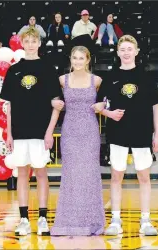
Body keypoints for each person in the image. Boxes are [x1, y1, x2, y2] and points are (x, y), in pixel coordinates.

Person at [0, 27, 64, 236]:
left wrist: (49, 132)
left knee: (42, 173)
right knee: (23, 174)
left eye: (33, 41)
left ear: (39, 43)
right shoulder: (14, 70)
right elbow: (9, 105)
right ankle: (24, 219)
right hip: (19, 131)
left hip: (40, 131)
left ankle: (43, 218)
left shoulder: (47, 68)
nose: (29, 45)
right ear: (22, 43)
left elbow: (56, 104)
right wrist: (9, 133)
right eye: (26, 41)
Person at [96, 35, 158, 236]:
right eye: (122, 49)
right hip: (118, 133)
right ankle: (115, 220)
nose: (126, 52)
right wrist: (109, 114)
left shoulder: (146, 76)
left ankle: (145, 220)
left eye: (129, 49)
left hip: (142, 133)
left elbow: (155, 108)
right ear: (117, 52)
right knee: (116, 176)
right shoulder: (110, 76)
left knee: (144, 176)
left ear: (136, 51)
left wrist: (157, 133)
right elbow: (99, 106)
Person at [51, 46, 105, 236]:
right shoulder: (61, 80)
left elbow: (108, 101)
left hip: (90, 132)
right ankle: (68, 222)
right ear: (71, 59)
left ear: (88, 60)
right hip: (70, 132)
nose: (78, 61)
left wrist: (104, 105)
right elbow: (55, 106)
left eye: (81, 58)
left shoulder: (97, 80)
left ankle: (92, 222)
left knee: (89, 175)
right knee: (71, 175)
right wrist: (50, 131)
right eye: (75, 58)